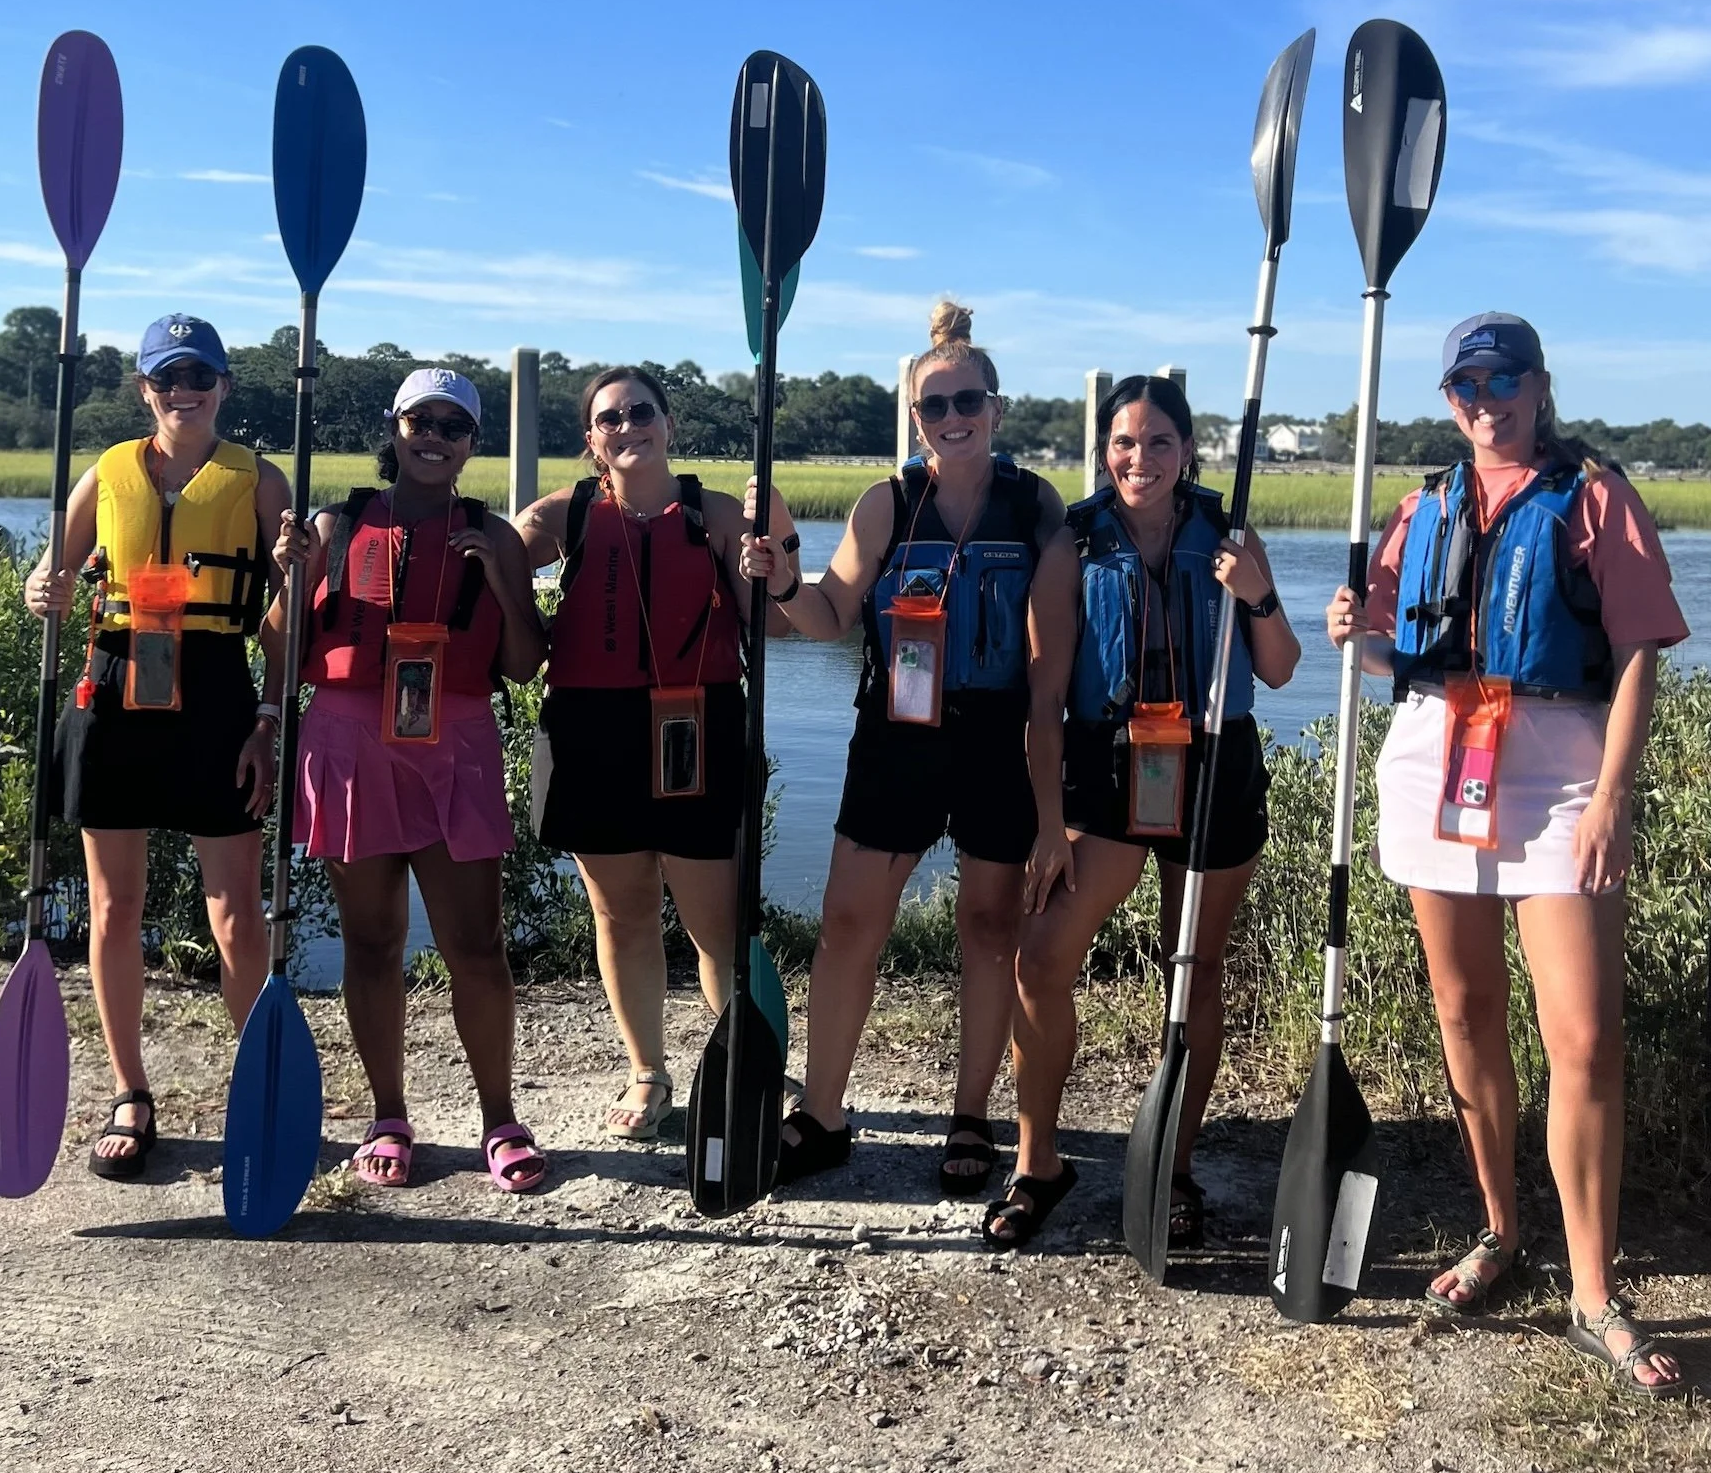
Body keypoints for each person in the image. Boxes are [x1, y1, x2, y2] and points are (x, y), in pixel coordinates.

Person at [1326, 313, 1689, 1397]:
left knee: (1580, 1035)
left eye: (1505, 378)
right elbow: (1399, 646)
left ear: (1538, 385)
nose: (1486, 398)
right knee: (1462, 1009)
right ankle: (1499, 1229)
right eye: (1466, 383)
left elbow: (1634, 655)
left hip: (1556, 770)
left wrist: (1610, 797)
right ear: (1448, 398)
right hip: (1439, 755)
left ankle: (1591, 1291)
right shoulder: (1419, 506)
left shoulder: (1592, 497)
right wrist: (1357, 628)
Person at [740, 299, 1074, 1193]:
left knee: (989, 926)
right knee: (851, 921)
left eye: (971, 402)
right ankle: (823, 1109)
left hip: (1000, 738)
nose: (955, 418)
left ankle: (971, 1116)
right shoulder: (885, 503)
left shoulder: (1034, 503)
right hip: (897, 734)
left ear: (998, 410)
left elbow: (1061, 646)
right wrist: (781, 579)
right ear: (915, 417)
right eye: (937, 406)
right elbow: (829, 614)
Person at [1001, 373, 1302, 1248]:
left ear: (1188, 451)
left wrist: (1259, 596)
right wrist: (1050, 825)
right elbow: (1045, 698)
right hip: (1107, 764)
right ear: (1107, 451)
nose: (1142, 458)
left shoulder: (1232, 536)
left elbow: (1279, 667)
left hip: (1216, 765)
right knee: (1042, 955)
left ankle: (1173, 1166)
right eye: (1126, 443)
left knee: (1194, 971)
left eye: (1159, 442)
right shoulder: (1074, 545)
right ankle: (1038, 1158)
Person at [22, 315, 290, 1178]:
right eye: (167, 376)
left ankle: (257, 1081)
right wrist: (41, 589)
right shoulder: (104, 476)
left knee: (236, 914)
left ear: (223, 386)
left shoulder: (261, 482)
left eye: (199, 374)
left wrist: (270, 720)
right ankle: (131, 1090)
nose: (185, 389)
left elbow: (288, 613)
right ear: (145, 388)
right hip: (115, 685)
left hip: (215, 693)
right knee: (113, 907)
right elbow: (52, 579)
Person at [270, 368, 547, 1193]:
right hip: (350, 740)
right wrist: (289, 572)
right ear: (393, 428)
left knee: (476, 945)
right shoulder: (334, 522)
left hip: (453, 742)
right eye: (419, 419)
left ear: (472, 443)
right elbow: (278, 652)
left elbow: (526, 663)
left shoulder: (495, 536)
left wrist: (499, 578)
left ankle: (500, 1118)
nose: (435, 435)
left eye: (454, 425)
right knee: (373, 940)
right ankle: (388, 1113)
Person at [517, 367, 791, 1141]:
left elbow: (779, 621)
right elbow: (493, 565)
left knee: (718, 922)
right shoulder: (562, 515)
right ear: (592, 440)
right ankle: (649, 1071)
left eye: (642, 411)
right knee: (622, 911)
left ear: (669, 425)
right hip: (589, 732)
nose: (627, 424)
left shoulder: (716, 517)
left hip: (697, 728)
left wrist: (780, 556)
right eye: (610, 417)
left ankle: (750, 1053)